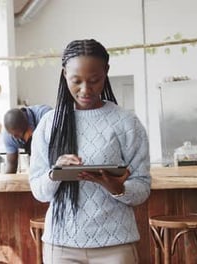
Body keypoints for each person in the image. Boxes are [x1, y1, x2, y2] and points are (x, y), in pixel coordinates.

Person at [29, 39, 151, 263]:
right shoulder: (49, 124)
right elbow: (39, 191)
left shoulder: (127, 122)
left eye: (94, 80)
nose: (85, 89)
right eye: (76, 81)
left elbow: (142, 188)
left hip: (115, 244)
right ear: (65, 74)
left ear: (106, 72)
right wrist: (56, 172)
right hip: (61, 244)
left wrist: (118, 188)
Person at [3, 104, 52, 173]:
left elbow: (57, 148)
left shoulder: (46, 116)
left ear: (28, 125)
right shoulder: (9, 136)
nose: (15, 138)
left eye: (18, 135)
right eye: (13, 136)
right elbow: (12, 164)